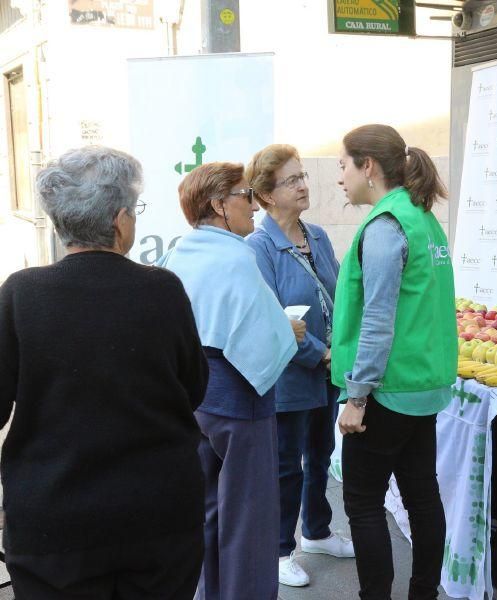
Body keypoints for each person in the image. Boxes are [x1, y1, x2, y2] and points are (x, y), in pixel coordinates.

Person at [0, 146, 208, 599]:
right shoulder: (162, 290)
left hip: (53, 523)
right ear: (120, 220)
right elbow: (194, 388)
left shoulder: (21, 295)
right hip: (158, 518)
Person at [157, 162, 305, 600]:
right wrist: (289, 330)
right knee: (249, 520)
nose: (255, 208)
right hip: (241, 404)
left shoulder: (178, 252)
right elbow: (262, 338)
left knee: (206, 512)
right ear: (220, 205)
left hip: (194, 402)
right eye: (246, 196)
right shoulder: (237, 256)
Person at [332, 124, 457, 600]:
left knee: (363, 504)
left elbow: (379, 318)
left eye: (344, 165)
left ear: (369, 167)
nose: (340, 177)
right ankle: (424, 593)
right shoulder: (421, 217)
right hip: (421, 385)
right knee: (422, 494)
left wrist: (357, 396)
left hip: (386, 390)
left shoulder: (387, 227)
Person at [245, 144, 353, 588]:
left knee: (321, 454)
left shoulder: (319, 236)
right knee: (287, 464)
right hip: (291, 375)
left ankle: (317, 531)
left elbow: (342, 292)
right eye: (292, 180)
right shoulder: (259, 246)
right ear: (267, 195)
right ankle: (280, 550)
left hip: (327, 369)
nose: (304, 185)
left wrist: (339, 349)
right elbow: (273, 317)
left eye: (303, 175)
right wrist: (321, 354)